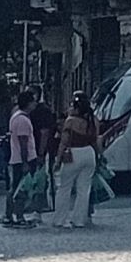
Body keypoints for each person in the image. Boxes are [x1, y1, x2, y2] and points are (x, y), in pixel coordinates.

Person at [55, 91, 99, 229]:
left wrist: (57, 160)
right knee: (84, 189)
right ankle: (79, 220)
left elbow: (64, 141)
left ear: (76, 108)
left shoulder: (70, 121)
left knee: (64, 187)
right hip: (89, 154)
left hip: (74, 153)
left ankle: (59, 219)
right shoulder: (94, 120)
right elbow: (96, 140)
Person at [4, 90, 39, 225]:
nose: (35, 104)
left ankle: (8, 215)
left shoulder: (15, 116)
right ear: (28, 103)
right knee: (22, 188)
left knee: (15, 187)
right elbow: (23, 141)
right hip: (24, 158)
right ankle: (19, 216)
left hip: (16, 158)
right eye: (33, 101)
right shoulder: (23, 120)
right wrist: (26, 162)